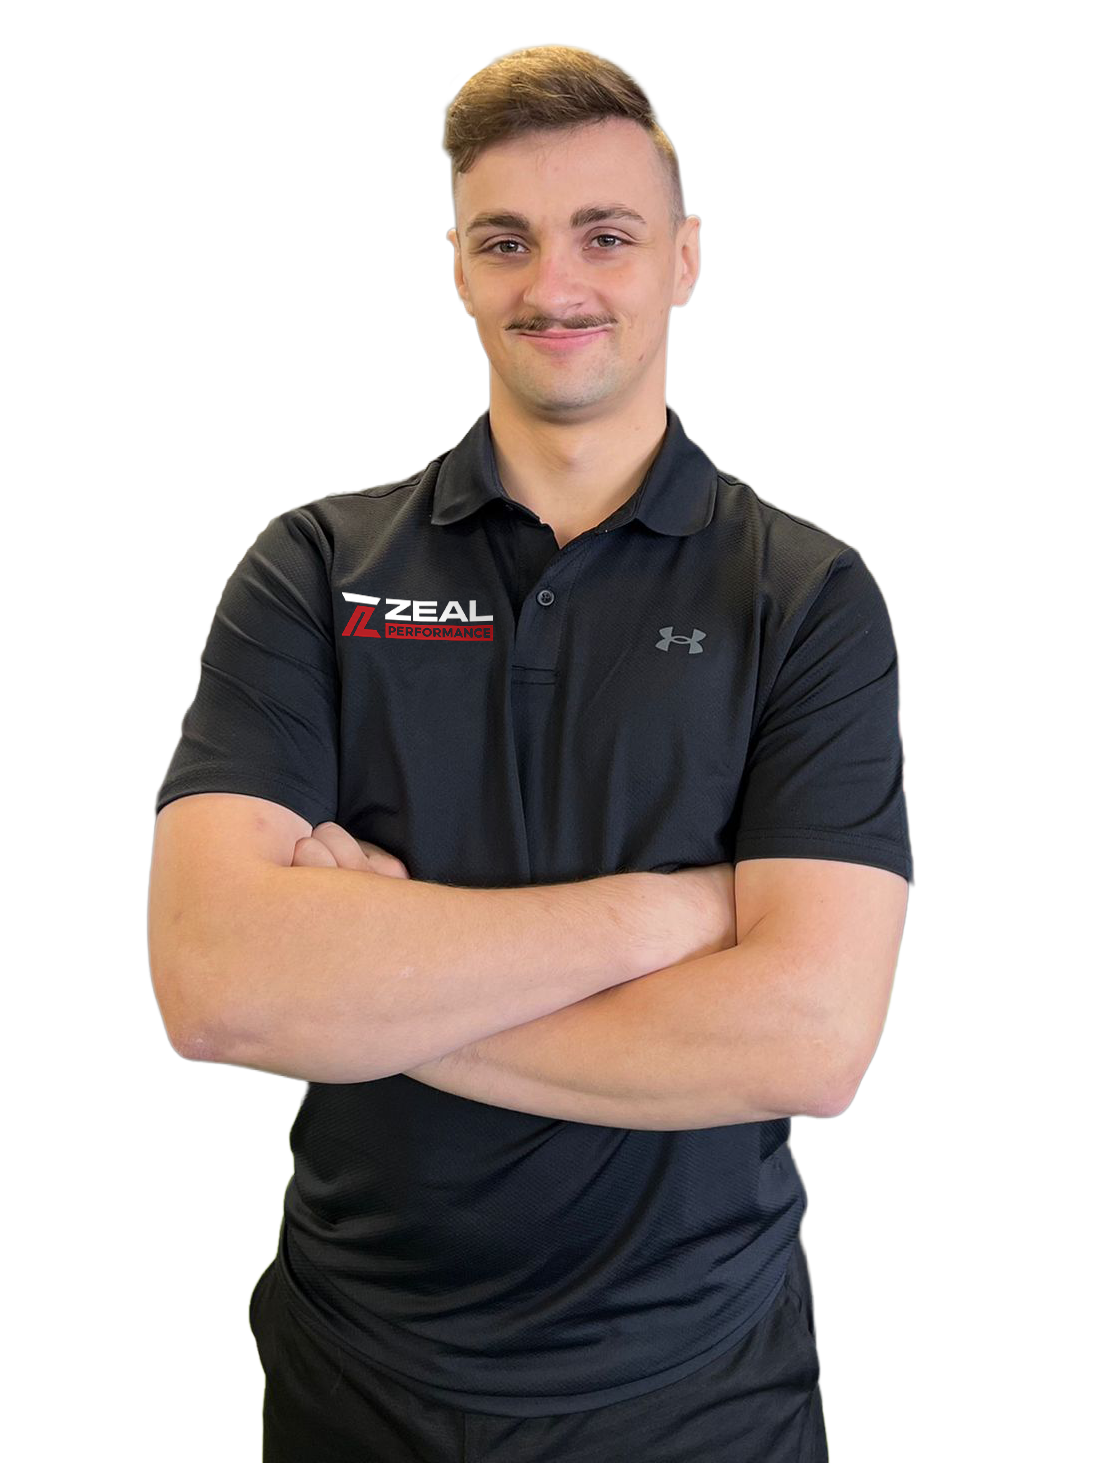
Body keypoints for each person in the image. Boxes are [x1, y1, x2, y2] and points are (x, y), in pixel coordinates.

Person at [157, 42, 914, 1461]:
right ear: (458, 266)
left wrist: (369, 980)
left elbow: (813, 1039)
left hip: (703, 1391)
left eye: (605, 236)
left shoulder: (804, 596)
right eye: (505, 240)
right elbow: (213, 988)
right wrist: (676, 912)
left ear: (686, 260)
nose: (553, 285)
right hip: (355, 1381)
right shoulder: (311, 564)